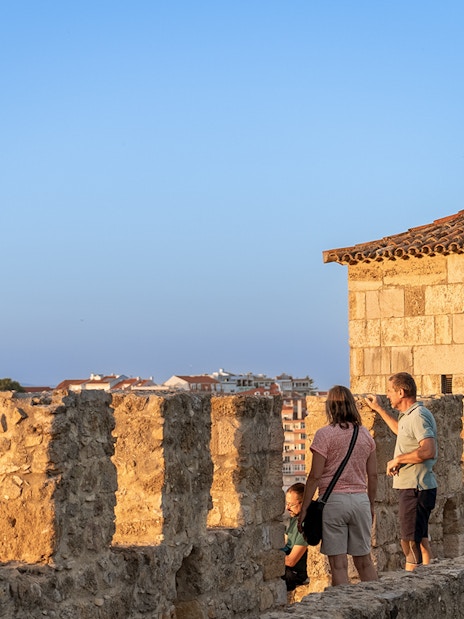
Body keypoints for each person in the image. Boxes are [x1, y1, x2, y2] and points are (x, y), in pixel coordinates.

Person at [297, 385, 378, 586]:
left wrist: (305, 507)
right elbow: (373, 475)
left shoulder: (324, 435)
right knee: (365, 562)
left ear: (330, 407)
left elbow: (315, 475)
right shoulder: (365, 435)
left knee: (339, 565)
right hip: (360, 500)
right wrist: (371, 504)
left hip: (334, 502)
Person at [365, 372, 437, 571]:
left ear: (401, 392)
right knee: (421, 540)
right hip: (417, 486)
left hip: (415, 488)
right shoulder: (409, 416)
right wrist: (379, 409)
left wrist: (398, 459)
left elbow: (428, 450)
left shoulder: (419, 416)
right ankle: (427, 580)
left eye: (390, 391)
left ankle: (412, 583)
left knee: (409, 542)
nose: (388, 395)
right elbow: (401, 431)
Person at [281, 482, 309, 591]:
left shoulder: (305, 526)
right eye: (287, 504)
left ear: (303, 503)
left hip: (295, 573)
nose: (287, 508)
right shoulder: (294, 520)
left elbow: (291, 561)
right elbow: (286, 544)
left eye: (291, 504)